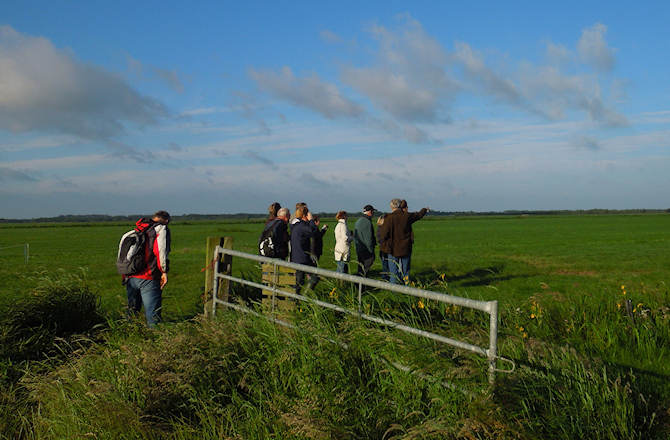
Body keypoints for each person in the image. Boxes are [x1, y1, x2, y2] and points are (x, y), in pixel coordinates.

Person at [125, 210, 171, 327]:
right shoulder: (160, 230)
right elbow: (160, 251)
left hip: (131, 275)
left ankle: (127, 336)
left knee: (132, 311)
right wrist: (164, 271)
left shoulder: (138, 230)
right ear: (166, 221)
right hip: (149, 276)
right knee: (153, 314)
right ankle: (155, 341)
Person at [379, 199, 429, 285]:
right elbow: (418, 215)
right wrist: (424, 209)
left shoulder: (388, 218)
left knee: (393, 274)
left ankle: (394, 295)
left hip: (393, 249)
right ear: (399, 206)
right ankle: (407, 291)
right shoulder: (407, 216)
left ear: (391, 207)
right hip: (406, 248)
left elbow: (383, 235)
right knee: (405, 273)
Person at [290, 205, 319, 294]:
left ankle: (298, 300)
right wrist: (311, 220)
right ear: (304, 216)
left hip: (297, 257)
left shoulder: (295, 226)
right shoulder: (301, 227)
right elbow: (314, 232)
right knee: (312, 278)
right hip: (302, 258)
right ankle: (303, 299)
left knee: (299, 281)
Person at [354, 204, 376, 277]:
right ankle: (361, 285)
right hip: (365, 249)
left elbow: (355, 235)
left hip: (359, 248)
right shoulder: (367, 222)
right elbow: (368, 238)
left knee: (360, 267)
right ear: (370, 212)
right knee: (365, 269)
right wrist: (371, 249)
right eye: (373, 212)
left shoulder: (358, 221)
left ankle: (358, 284)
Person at [376, 214, 389, 281]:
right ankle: (385, 278)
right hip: (384, 249)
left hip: (382, 249)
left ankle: (385, 278)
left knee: (385, 264)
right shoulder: (382, 229)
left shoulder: (379, 228)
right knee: (386, 265)